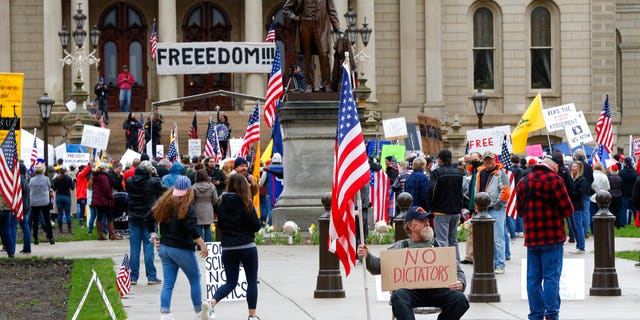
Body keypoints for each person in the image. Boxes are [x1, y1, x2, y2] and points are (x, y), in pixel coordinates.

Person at [357, 206, 469, 320]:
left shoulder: (440, 245)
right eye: (422, 220)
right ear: (411, 226)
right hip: (411, 292)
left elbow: (458, 271)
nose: (427, 223)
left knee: (460, 300)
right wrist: (367, 256)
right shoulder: (400, 246)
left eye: (427, 220)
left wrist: (460, 282)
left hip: (437, 291)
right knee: (398, 297)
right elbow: (379, 267)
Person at [516, 155, 573, 320]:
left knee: (533, 279)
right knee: (551, 277)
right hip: (553, 236)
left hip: (532, 237)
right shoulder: (555, 180)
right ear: (554, 166)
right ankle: (551, 314)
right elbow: (568, 209)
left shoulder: (523, 182)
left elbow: (520, 211)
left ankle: (535, 314)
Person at [150, 176, 208, 320]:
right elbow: (192, 229)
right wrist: (202, 244)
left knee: (168, 283)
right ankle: (198, 311)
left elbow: (148, 217)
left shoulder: (164, 204)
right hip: (181, 248)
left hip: (164, 248)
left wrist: (153, 237)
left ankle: (165, 313)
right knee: (194, 278)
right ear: (189, 190)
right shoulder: (188, 208)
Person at [207, 173, 262, 320]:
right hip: (247, 245)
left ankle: (212, 302)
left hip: (228, 247)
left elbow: (221, 225)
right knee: (251, 281)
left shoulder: (221, 203)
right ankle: (252, 315)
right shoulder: (246, 202)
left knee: (230, 282)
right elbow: (256, 226)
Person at [282, 0, 341, 92]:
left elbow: (332, 11)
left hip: (321, 26)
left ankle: (326, 84)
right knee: (307, 56)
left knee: (324, 54)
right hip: (305, 25)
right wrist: (294, 17)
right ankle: (309, 84)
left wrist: (337, 27)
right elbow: (286, 9)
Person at [126, 160, 166, 286]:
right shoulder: (153, 182)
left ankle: (133, 277)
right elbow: (163, 188)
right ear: (150, 170)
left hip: (134, 217)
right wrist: (155, 175)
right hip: (149, 218)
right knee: (149, 248)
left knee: (134, 248)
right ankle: (151, 276)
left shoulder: (129, 181)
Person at [476, 151, 510, 274]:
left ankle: (500, 264)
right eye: (486, 159)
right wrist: (477, 206)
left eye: (490, 159)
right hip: (483, 210)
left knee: (498, 238)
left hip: (497, 210)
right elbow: (477, 190)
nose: (488, 161)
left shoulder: (501, 174)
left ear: (494, 160)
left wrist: (497, 205)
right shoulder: (480, 173)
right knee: (486, 239)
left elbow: (506, 191)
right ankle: (492, 264)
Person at [429, 149, 464, 260]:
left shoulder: (437, 173)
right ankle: (455, 264)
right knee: (453, 240)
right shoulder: (459, 173)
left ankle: (444, 264)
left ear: (441, 159)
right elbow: (462, 191)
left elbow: (432, 190)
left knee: (442, 240)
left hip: (441, 210)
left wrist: (431, 206)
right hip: (455, 210)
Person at [92, 162, 122, 240]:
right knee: (109, 216)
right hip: (104, 200)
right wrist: (111, 197)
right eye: (107, 168)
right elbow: (106, 188)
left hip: (97, 200)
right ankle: (112, 234)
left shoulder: (95, 176)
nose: (108, 169)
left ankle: (100, 235)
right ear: (104, 169)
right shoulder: (104, 177)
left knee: (99, 216)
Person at [192, 169, 218, 242]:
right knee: (207, 228)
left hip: (197, 208)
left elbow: (192, 200)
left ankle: (200, 245)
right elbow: (216, 199)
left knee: (198, 227)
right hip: (208, 208)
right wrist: (210, 203)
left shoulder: (194, 187)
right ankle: (208, 245)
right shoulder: (211, 186)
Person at [568, 161, 587, 254]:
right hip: (571, 205)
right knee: (573, 226)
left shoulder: (581, 180)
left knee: (578, 226)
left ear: (579, 168)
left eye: (574, 167)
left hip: (577, 206)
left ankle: (581, 247)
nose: (572, 168)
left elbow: (580, 193)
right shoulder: (573, 179)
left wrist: (571, 190)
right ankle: (578, 245)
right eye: (572, 166)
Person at [52, 166, 75, 234]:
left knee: (60, 213)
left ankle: (60, 230)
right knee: (68, 214)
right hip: (67, 197)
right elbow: (72, 188)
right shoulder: (68, 178)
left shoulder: (56, 179)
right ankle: (69, 230)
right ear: (65, 171)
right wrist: (74, 181)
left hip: (59, 196)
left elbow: (54, 189)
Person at [619, 157, 638, 227]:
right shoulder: (635, 172)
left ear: (625, 163)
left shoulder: (621, 172)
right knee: (635, 210)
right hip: (633, 194)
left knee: (623, 210)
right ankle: (637, 223)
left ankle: (623, 224)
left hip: (624, 193)